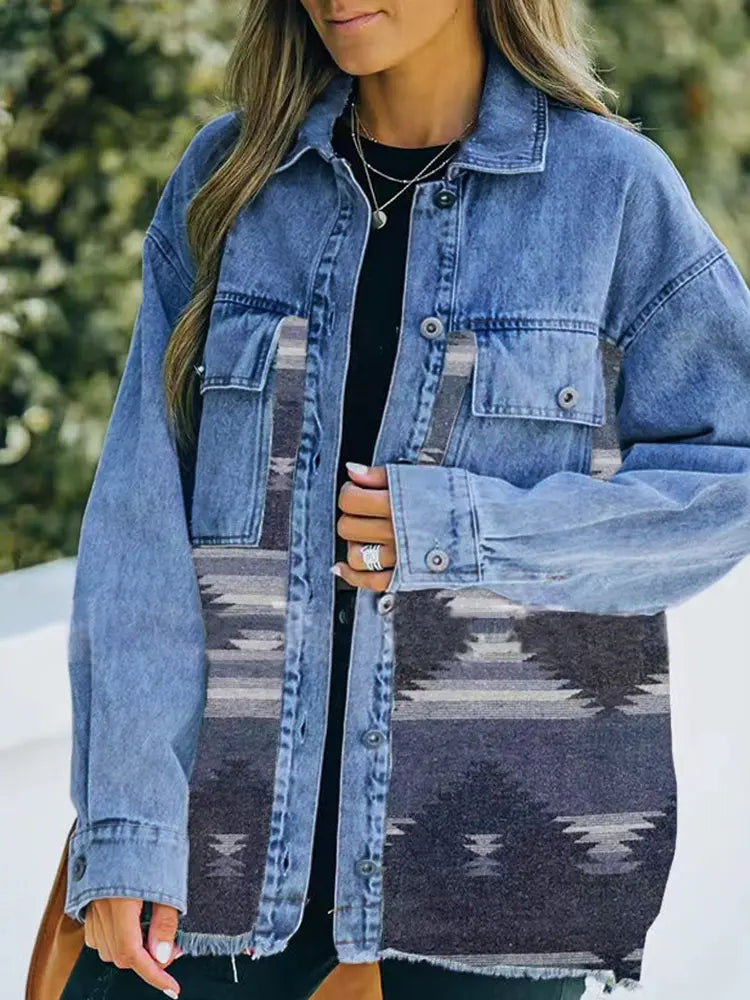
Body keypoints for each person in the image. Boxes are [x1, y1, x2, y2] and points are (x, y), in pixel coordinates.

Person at [59, 1, 750, 999]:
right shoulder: (231, 178)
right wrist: (129, 824)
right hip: (216, 852)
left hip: (505, 864)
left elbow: (731, 472)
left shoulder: (611, 193)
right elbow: (141, 518)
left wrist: (465, 530)